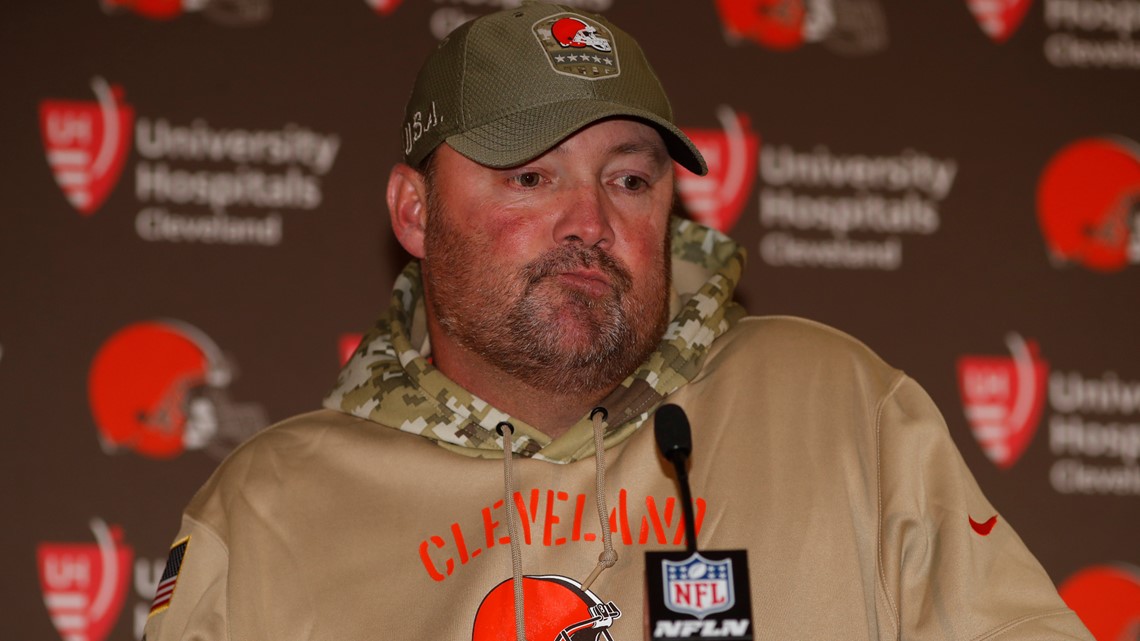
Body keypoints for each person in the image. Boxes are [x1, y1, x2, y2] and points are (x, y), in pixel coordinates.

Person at [144, 3, 1093, 640]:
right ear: (414, 212)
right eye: (531, 177)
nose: (590, 223)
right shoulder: (269, 512)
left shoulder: (839, 408)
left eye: (629, 179)